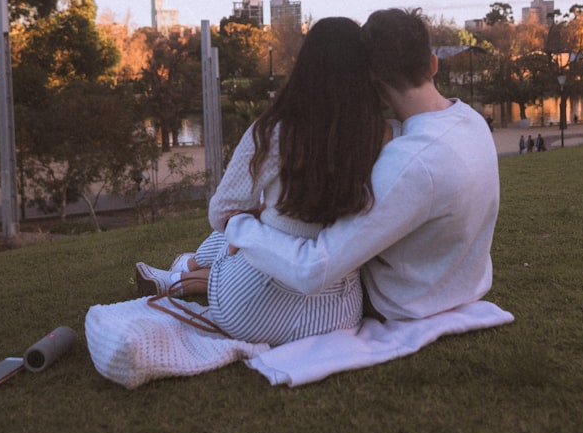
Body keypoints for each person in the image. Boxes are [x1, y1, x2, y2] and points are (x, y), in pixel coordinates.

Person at [223, 8, 500, 322]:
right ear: (433, 64)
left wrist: (240, 227)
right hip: (461, 285)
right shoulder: (472, 121)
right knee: (270, 222)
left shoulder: (409, 162)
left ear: (370, 78)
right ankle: (196, 275)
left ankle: (203, 277)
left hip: (403, 302)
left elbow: (314, 269)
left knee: (259, 232)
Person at [134, 17, 395, 345]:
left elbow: (221, 214)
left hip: (251, 311)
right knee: (256, 227)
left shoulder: (278, 131)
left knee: (240, 227)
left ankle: (181, 273)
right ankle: (182, 273)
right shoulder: (386, 137)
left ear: (306, 67)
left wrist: (253, 218)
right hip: (337, 315)